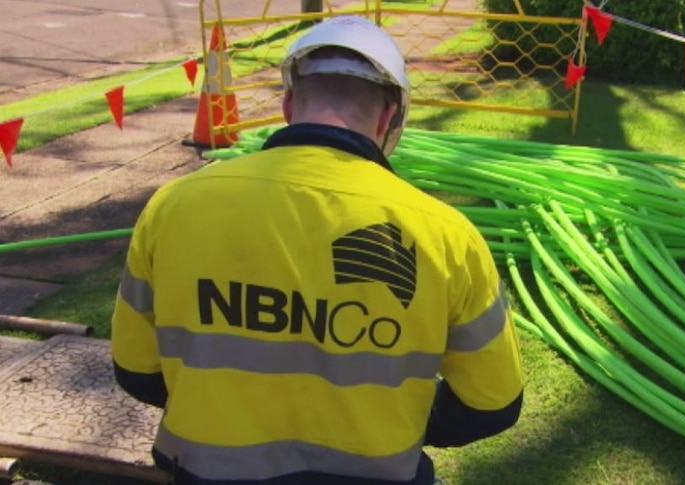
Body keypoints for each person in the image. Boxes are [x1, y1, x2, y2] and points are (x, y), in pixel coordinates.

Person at [111, 14, 524, 485]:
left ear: (288, 103)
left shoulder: (174, 206)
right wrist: (401, 419)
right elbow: (493, 404)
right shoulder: (447, 235)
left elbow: (137, 371)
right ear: (389, 116)